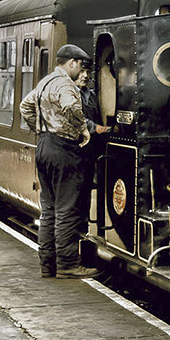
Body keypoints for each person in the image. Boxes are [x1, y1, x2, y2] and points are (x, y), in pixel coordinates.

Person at [19, 44, 100, 279]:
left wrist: (40, 128)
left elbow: (25, 106)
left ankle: (48, 264)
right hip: (64, 149)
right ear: (72, 63)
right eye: (80, 66)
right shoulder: (65, 84)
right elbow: (72, 107)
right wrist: (83, 129)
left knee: (49, 209)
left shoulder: (45, 82)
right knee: (67, 209)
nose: (81, 72)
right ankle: (67, 264)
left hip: (44, 146)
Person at [74, 68, 110, 236]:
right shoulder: (69, 94)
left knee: (86, 191)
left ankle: (83, 230)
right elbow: (77, 118)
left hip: (90, 151)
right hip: (75, 151)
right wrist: (98, 128)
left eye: (88, 72)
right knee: (74, 194)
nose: (86, 76)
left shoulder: (92, 94)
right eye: (82, 71)